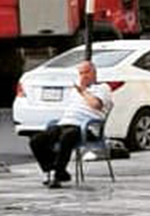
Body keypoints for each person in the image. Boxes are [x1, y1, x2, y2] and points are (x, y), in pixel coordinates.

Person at [28, 59, 113, 189]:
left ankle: (57, 176)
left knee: (67, 137)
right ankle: (52, 170)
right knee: (37, 140)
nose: (83, 76)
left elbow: (96, 105)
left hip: (87, 127)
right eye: (80, 73)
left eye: (86, 72)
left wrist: (83, 91)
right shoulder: (75, 90)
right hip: (66, 123)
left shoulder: (103, 88)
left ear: (94, 72)